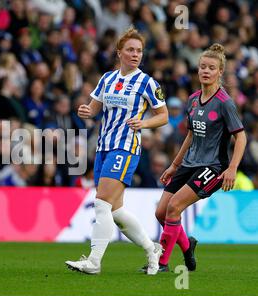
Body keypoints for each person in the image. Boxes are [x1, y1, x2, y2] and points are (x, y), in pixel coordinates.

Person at [65, 27, 169, 275]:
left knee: (101, 203)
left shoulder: (147, 82)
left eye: (139, 51)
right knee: (116, 211)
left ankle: (94, 262)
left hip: (126, 147)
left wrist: (144, 123)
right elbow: (94, 107)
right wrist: (87, 111)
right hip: (103, 147)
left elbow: (163, 115)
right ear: (119, 52)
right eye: (131, 50)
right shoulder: (107, 79)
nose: (135, 55)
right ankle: (151, 249)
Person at [151, 43, 247, 272]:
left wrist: (232, 168)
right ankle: (187, 246)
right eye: (202, 66)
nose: (205, 71)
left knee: (174, 207)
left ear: (220, 72)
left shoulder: (225, 103)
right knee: (161, 212)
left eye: (211, 68)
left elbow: (241, 138)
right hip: (188, 163)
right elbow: (191, 135)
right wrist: (175, 165)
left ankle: (161, 264)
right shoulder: (193, 99)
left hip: (213, 167)